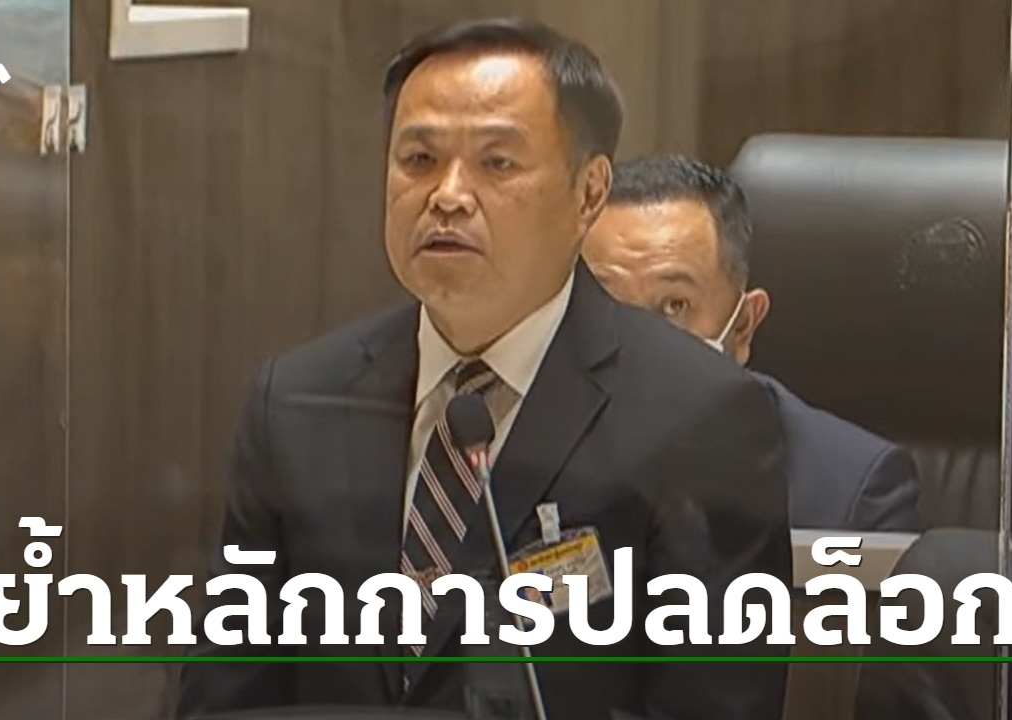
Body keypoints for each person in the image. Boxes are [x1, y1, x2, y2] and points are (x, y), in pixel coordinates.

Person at [175, 19, 792, 720]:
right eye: (418, 159)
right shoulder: (293, 402)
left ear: (589, 193)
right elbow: (225, 695)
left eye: (497, 164)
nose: (447, 195)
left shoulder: (702, 415)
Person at [582, 154, 922, 532]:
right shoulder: (534, 447)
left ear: (743, 325)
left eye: (674, 306)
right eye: (606, 302)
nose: (636, 337)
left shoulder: (848, 496)